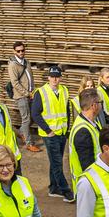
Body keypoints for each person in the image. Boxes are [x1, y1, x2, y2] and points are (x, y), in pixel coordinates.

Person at [32, 66, 73, 201]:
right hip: (49, 134)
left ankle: (53, 188)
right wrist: (48, 130)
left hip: (61, 132)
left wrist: (66, 128)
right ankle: (66, 190)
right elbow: (35, 114)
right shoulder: (41, 92)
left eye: (57, 76)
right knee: (57, 163)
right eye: (52, 76)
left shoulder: (64, 90)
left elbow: (67, 110)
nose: (55, 79)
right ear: (48, 77)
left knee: (56, 161)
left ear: (60, 77)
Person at [6, 42, 39, 153]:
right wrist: (26, 93)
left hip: (30, 94)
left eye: (22, 50)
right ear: (14, 51)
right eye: (18, 51)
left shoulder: (27, 62)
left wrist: (32, 90)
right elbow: (15, 83)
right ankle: (29, 143)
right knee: (26, 118)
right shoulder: (12, 65)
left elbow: (30, 78)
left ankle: (21, 132)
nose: (21, 52)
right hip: (21, 96)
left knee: (33, 116)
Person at [66, 88, 103, 187]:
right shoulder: (83, 131)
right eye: (100, 102)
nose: (101, 105)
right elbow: (88, 165)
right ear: (94, 106)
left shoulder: (91, 122)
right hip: (89, 185)